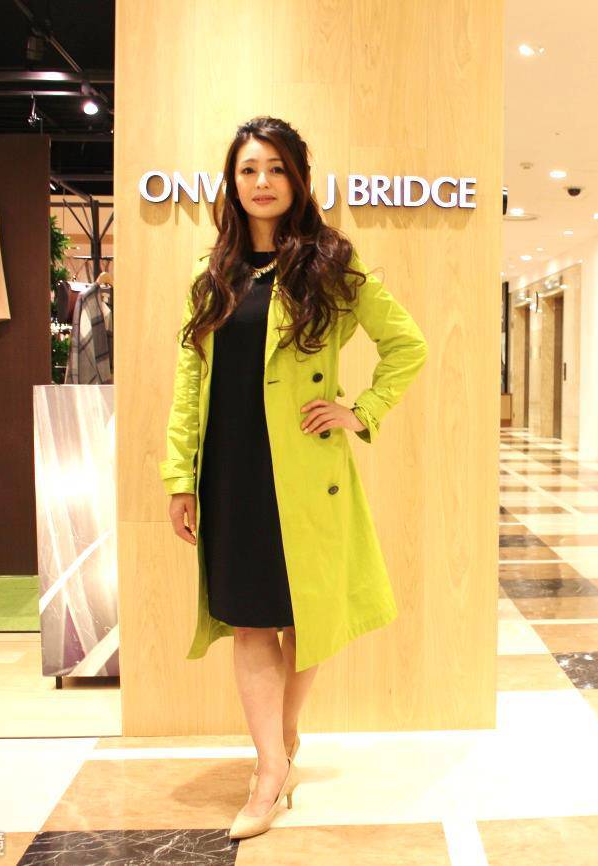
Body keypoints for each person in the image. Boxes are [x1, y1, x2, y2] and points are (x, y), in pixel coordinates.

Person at [159, 116, 428, 841]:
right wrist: (179, 477)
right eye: (249, 169)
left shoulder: (330, 264)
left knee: (303, 615)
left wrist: (359, 411)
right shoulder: (211, 274)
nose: (262, 182)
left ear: (299, 179)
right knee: (250, 619)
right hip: (230, 468)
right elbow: (189, 384)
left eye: (276, 168)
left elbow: (406, 344)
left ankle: (280, 741)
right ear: (232, 182)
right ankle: (270, 767)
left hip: (305, 469)